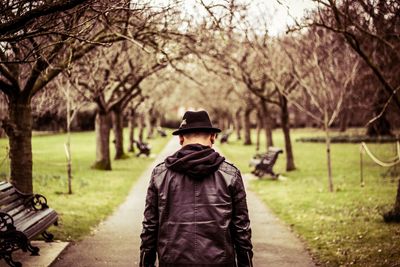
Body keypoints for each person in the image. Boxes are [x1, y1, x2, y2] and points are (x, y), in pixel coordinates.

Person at [140, 110, 253, 267]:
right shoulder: (230, 175)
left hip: (173, 262)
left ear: (180, 138)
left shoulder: (160, 175)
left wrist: (146, 263)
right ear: (213, 137)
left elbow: (150, 228)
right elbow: (241, 229)